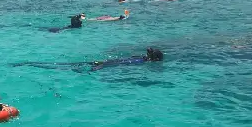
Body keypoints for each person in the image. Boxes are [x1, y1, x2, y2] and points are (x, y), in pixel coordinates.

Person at [12, 47, 163, 72]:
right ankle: (29, 64)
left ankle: (28, 63)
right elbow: (118, 64)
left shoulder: (138, 58)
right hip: (102, 65)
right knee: (63, 67)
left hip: (100, 62)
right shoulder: (140, 61)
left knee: (63, 65)